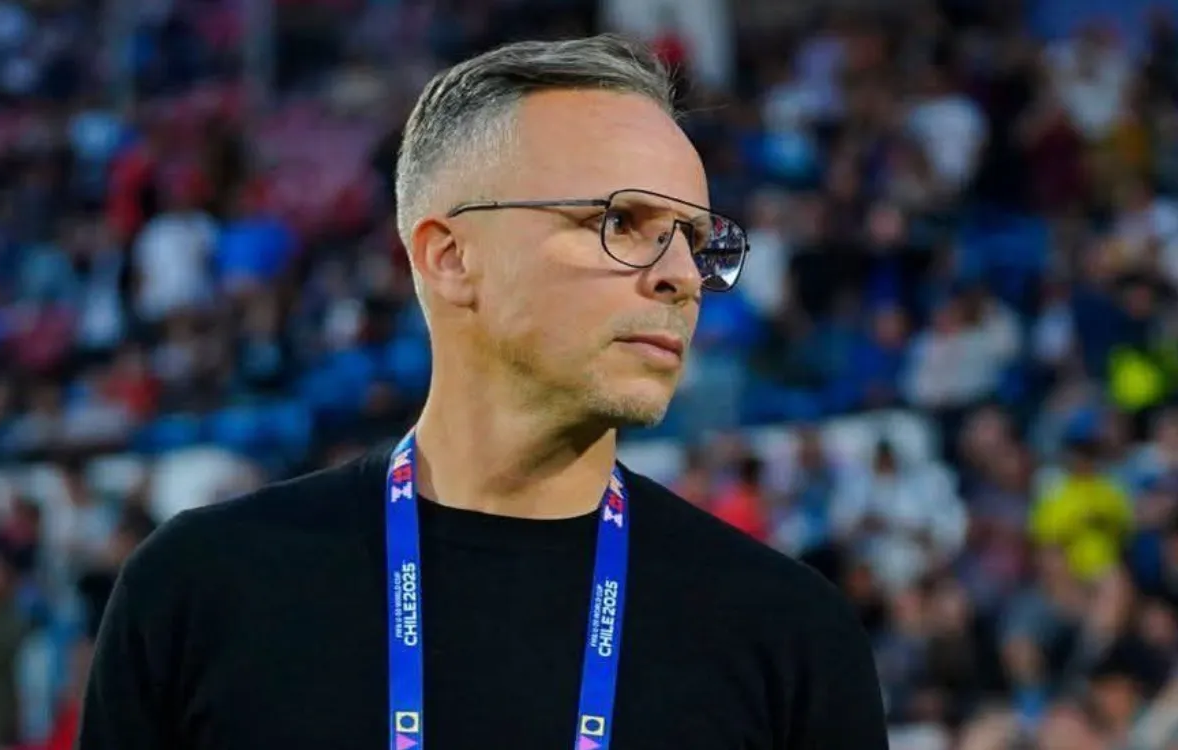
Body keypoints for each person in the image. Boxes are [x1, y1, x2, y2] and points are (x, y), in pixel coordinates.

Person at [78, 34, 887, 750]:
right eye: (621, 222)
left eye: (698, 241)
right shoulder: (201, 591)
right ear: (450, 258)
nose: (681, 276)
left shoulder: (789, 635)